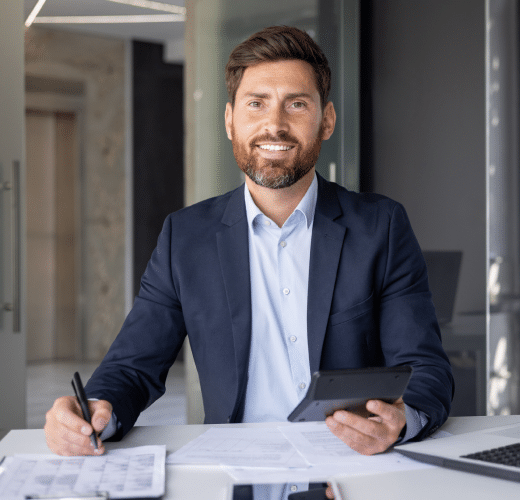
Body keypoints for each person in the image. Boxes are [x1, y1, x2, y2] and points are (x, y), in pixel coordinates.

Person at [44, 26, 453, 458]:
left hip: (351, 463)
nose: (274, 125)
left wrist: (402, 420)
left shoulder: (380, 227)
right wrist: (93, 411)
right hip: (235, 466)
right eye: (256, 104)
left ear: (326, 120)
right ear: (229, 120)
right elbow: (131, 367)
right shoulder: (185, 237)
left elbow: (425, 369)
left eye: (296, 104)